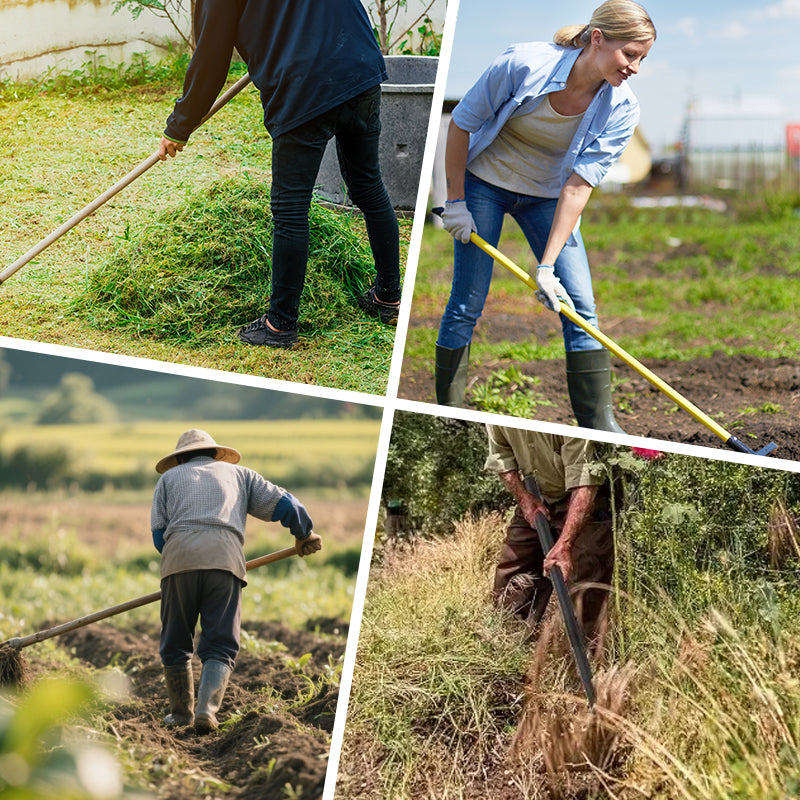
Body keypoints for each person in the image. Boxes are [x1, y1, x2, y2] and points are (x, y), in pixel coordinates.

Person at [437, 1, 656, 431]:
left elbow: (578, 185)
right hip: (485, 183)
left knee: (581, 307)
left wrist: (548, 265)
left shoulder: (622, 108)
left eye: (642, 59)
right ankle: (449, 414)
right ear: (598, 39)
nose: (635, 67)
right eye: (630, 54)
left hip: (547, 197)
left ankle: (599, 425)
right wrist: (457, 200)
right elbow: (461, 123)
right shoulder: (524, 64)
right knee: (467, 303)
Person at [158, 0, 402, 349]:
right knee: (368, 186)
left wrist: (178, 127)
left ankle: (279, 325)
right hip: (359, 67)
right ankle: (388, 298)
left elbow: (211, 57)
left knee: (290, 209)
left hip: (304, 84)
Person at [151, 428, 322, 734]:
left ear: (180, 458)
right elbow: (287, 506)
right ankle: (207, 711)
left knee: (176, 640)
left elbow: (159, 537)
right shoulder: (240, 475)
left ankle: (180, 715)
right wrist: (304, 534)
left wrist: (183, 563)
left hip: (178, 561)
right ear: (214, 453)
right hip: (225, 561)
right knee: (220, 642)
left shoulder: (167, 480)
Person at [484, 425, 615, 639]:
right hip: (535, 496)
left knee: (587, 577)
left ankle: (587, 653)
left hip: (582, 498)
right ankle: (507, 641)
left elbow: (584, 481)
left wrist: (564, 545)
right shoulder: (496, 418)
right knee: (512, 569)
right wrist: (524, 499)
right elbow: (501, 456)